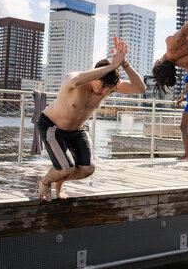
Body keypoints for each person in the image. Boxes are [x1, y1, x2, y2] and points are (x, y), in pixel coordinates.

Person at [37, 37, 146, 202]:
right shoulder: (75, 80)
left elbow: (140, 88)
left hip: (78, 129)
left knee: (88, 169)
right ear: (95, 76)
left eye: (108, 89)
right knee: (66, 168)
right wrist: (111, 66)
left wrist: (123, 64)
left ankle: (58, 180)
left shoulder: (109, 87)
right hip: (53, 127)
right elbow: (75, 79)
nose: (104, 93)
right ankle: (45, 181)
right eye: (102, 87)